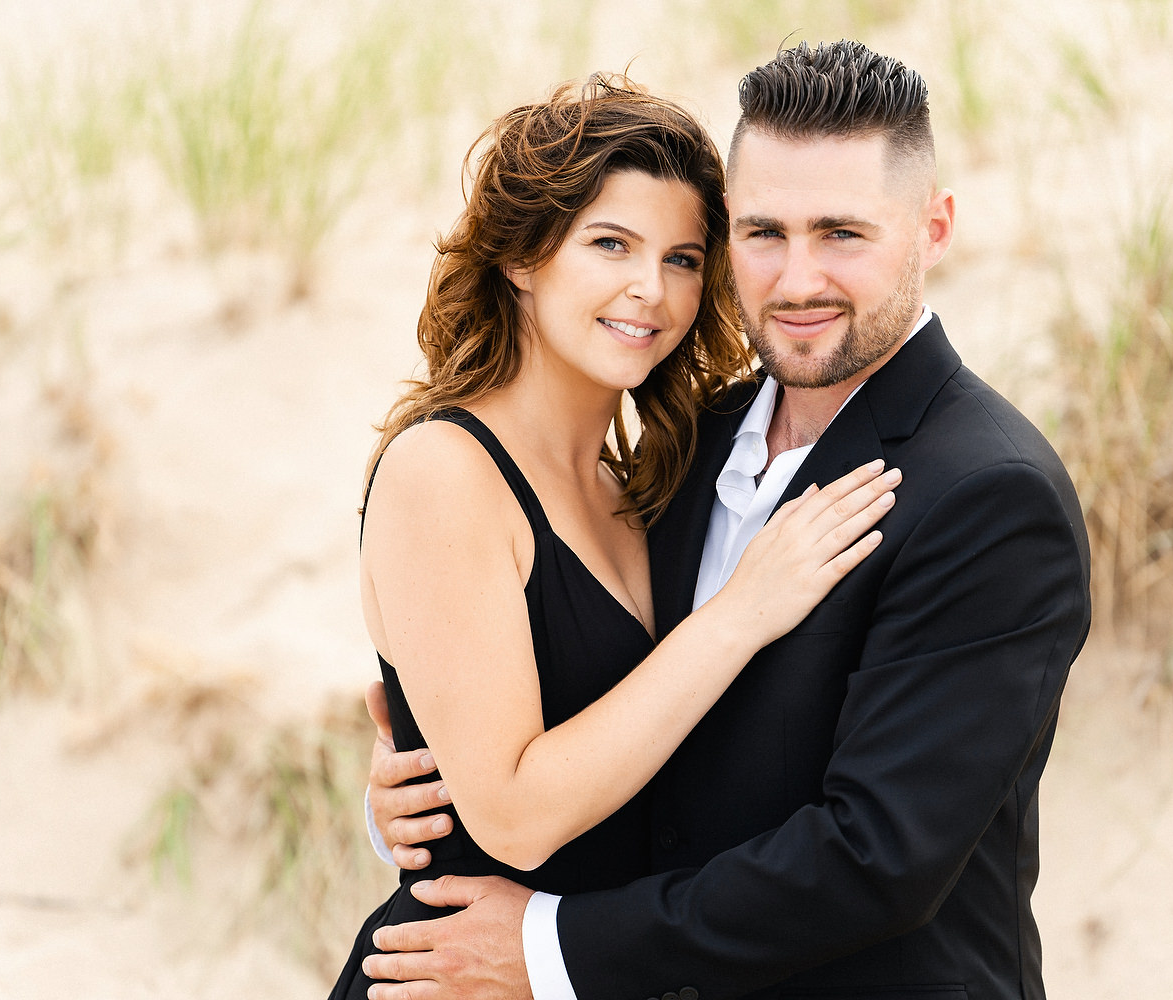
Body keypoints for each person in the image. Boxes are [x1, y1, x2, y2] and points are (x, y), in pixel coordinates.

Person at [361, 39, 1093, 1000]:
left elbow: (875, 857)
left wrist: (552, 947)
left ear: (934, 227)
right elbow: (572, 727)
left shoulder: (991, 496)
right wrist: (421, 791)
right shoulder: (682, 447)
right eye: (762, 233)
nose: (796, 281)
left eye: (843, 233)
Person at [328, 73, 902, 1000]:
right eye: (610, 245)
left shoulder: (642, 484)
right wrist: (740, 613)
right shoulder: (444, 472)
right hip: (455, 980)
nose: (652, 291)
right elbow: (510, 815)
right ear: (521, 257)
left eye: (682, 258)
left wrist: (389, 801)